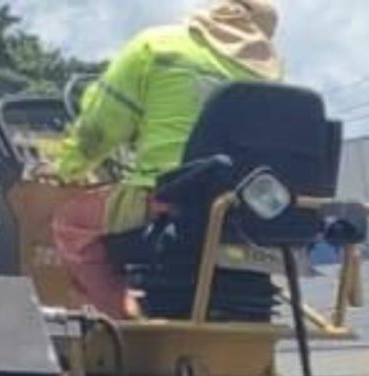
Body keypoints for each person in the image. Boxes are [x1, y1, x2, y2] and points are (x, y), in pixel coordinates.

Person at [43, 0, 284, 317]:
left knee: (70, 221)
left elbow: (99, 128)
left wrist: (66, 168)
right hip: (242, 212)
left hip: (167, 204)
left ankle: (125, 317)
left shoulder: (157, 46)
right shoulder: (270, 77)